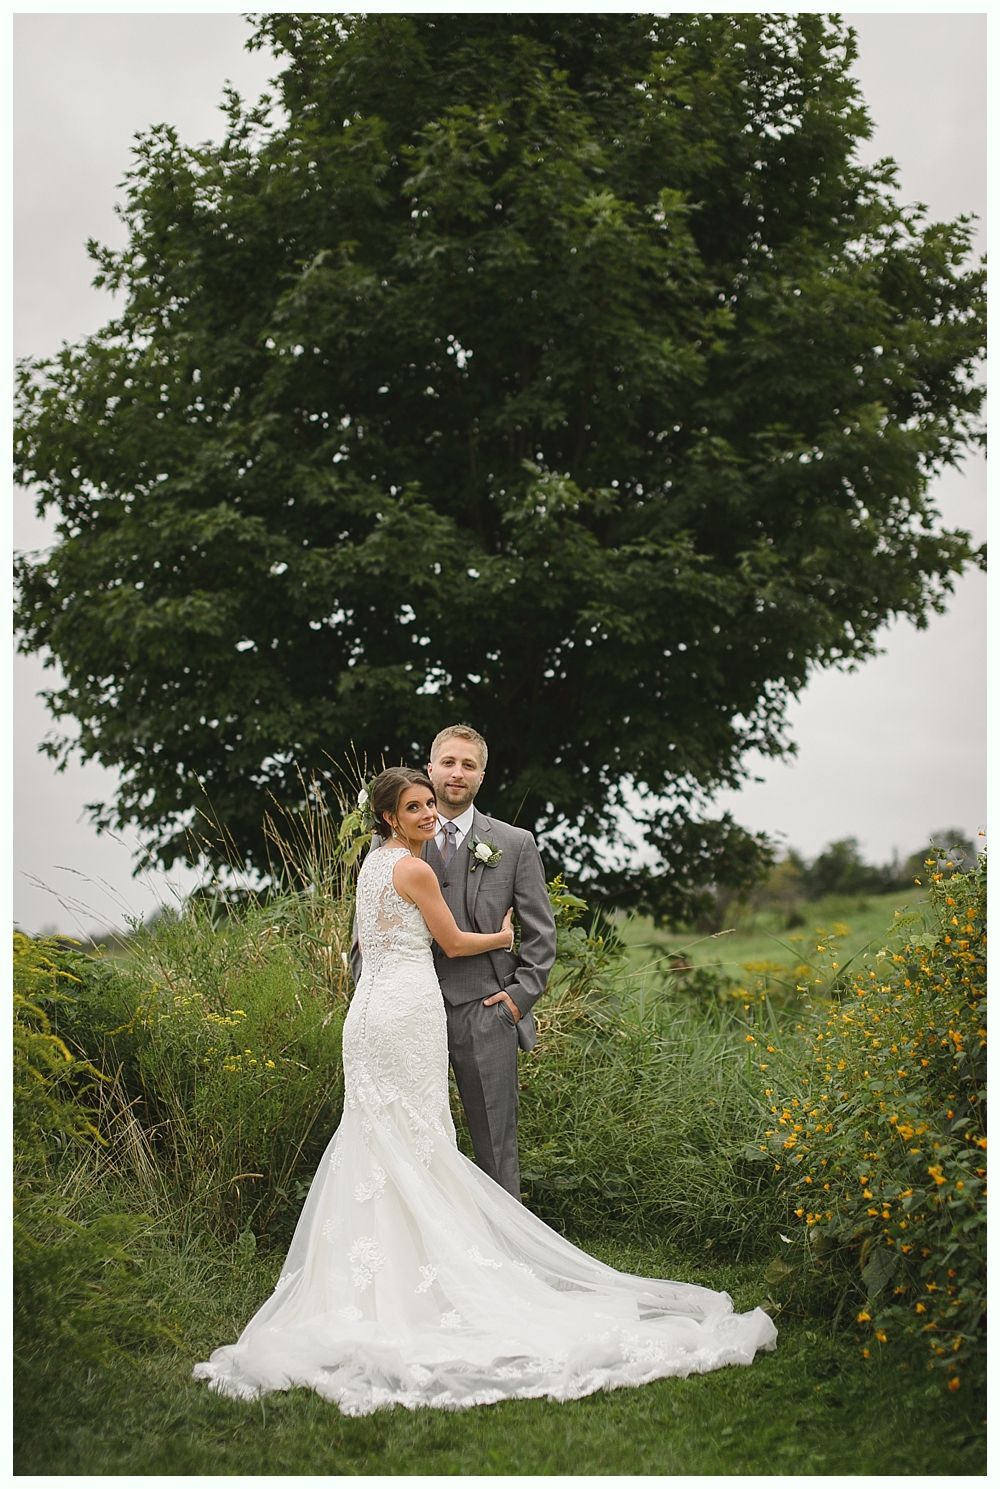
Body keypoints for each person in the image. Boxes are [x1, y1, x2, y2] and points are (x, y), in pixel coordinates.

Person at [193, 768, 777, 1414]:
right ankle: (433, 1280)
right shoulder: (413, 870)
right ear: (388, 816)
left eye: (427, 805)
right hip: (406, 1012)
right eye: (414, 807)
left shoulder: (371, 865)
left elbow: (363, 942)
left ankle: (384, 1281)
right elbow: (451, 941)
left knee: (381, 1136)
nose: (427, 815)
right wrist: (502, 936)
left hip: (369, 1014)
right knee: (416, 1136)